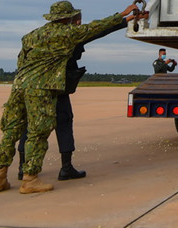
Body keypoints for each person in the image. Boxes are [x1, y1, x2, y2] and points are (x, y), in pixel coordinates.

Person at [0, 0, 141, 194]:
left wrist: (127, 18)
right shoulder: (67, 34)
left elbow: (21, 61)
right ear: (68, 17)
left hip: (19, 85)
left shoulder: (30, 36)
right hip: (42, 88)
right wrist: (124, 13)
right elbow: (96, 28)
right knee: (38, 132)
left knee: (11, 131)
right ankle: (30, 179)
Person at [16, 26, 123, 182]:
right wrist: (125, 20)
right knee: (64, 124)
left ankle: (22, 168)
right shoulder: (68, 36)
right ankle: (66, 168)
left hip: (34, 90)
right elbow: (97, 31)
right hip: (57, 91)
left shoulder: (35, 37)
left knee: (30, 126)